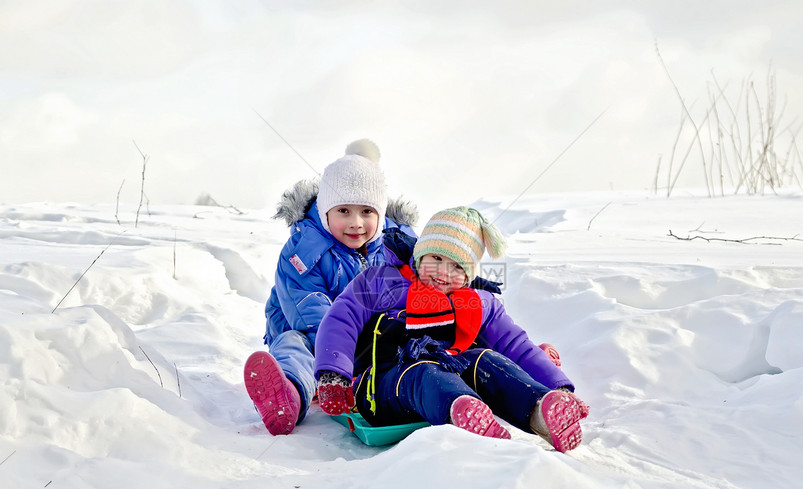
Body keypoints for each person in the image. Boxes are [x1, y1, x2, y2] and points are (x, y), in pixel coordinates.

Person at [313, 206, 589, 452]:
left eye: (457, 266)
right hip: (384, 388)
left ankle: (541, 412)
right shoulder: (381, 283)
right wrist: (333, 375)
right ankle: (463, 411)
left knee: (488, 360)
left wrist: (559, 386)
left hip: (450, 375)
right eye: (436, 258)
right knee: (423, 369)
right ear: (420, 253)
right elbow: (341, 319)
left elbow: (515, 345)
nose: (444, 272)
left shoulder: (477, 302)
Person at [243, 139, 418, 436]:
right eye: (343, 211)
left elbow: (415, 289)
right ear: (325, 211)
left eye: (366, 211)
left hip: (374, 339)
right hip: (314, 333)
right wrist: (341, 353)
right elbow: (306, 308)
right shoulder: (304, 250)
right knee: (294, 346)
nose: (356, 223)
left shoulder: (398, 246)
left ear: (381, 213)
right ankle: (288, 395)